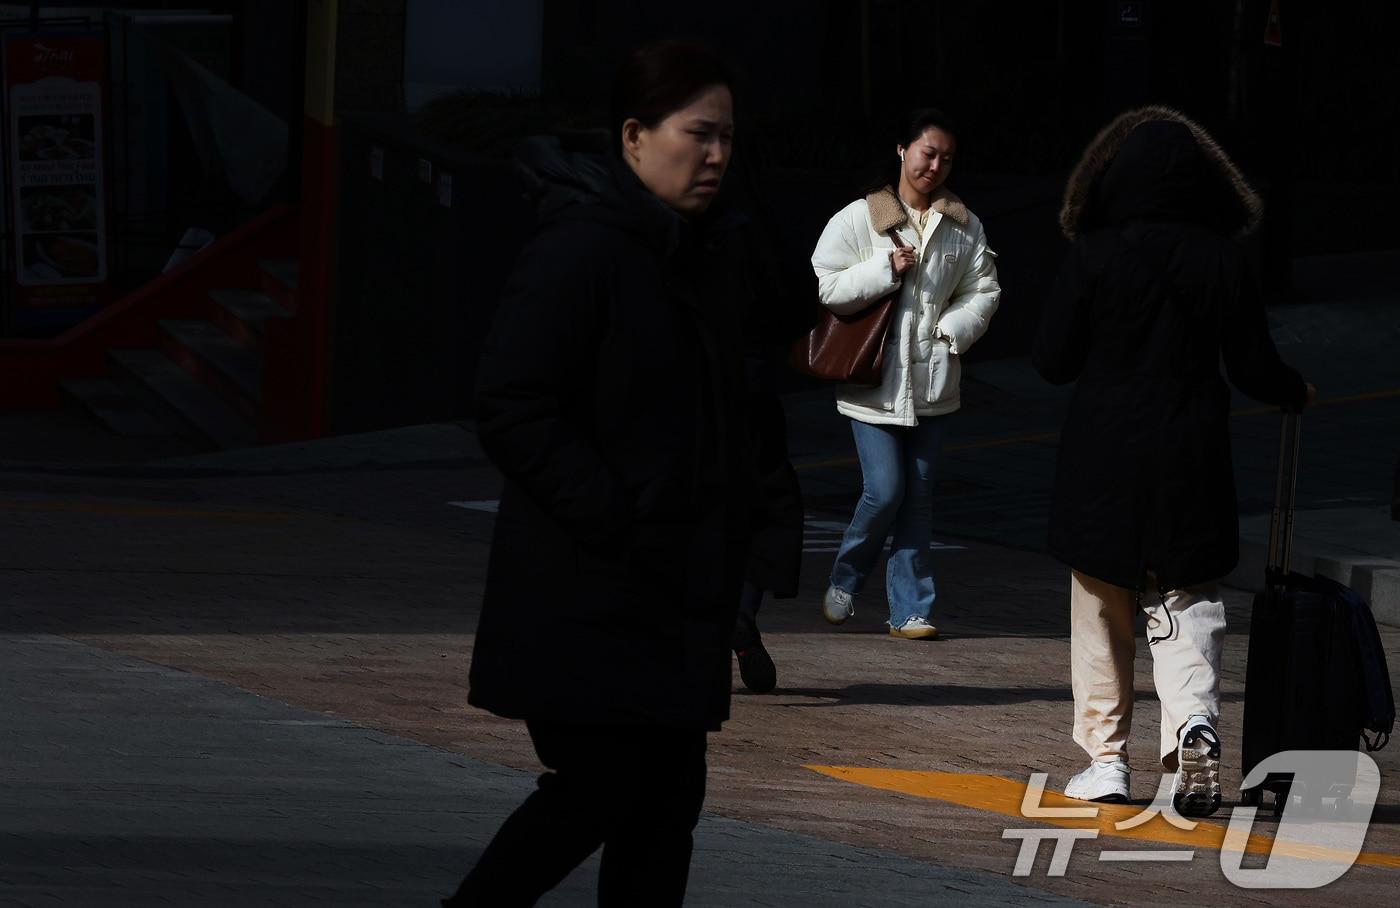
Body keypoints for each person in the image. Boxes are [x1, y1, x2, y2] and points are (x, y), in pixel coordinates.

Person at [444, 41, 755, 906]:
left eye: (728, 136)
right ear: (633, 135)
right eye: (699, 134)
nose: (717, 156)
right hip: (588, 584)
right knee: (597, 787)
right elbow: (510, 404)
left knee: (666, 804)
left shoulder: (701, 252)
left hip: (673, 589)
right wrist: (616, 515)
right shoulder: (581, 248)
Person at [1033, 106, 1314, 817]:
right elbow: (1253, 364)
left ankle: (1105, 762)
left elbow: (1052, 361)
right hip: (1190, 447)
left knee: (1101, 604)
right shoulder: (1222, 256)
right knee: (1188, 599)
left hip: (1103, 452)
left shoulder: (1095, 251)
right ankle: (1193, 723)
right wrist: (1294, 391)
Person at [811, 108, 1001, 640]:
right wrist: (882, 270)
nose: (935, 165)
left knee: (918, 495)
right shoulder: (859, 217)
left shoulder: (963, 224)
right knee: (886, 490)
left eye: (946, 158)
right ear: (902, 151)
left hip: (934, 383)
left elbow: (983, 289)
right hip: (873, 383)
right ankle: (847, 578)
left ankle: (910, 610)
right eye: (928, 152)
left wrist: (951, 332)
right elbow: (828, 285)